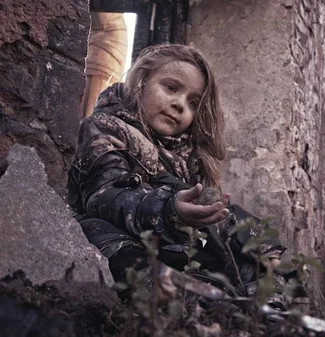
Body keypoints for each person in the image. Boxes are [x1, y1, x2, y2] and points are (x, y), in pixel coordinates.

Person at [67, 44, 286, 307]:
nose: (179, 104)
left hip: (166, 248)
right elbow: (105, 197)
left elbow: (217, 210)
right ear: (142, 82)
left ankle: (267, 312)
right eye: (171, 88)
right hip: (117, 240)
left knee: (247, 261)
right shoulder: (105, 128)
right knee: (97, 232)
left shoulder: (186, 157)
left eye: (192, 102)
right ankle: (183, 302)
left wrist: (261, 241)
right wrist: (170, 211)